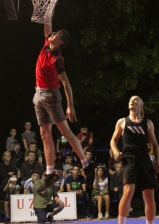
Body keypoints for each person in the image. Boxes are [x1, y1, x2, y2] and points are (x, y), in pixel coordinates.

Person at [32, 21, 94, 194]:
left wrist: (70, 106)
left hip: (51, 96)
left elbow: (66, 84)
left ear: (60, 42)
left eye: (56, 34)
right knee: (45, 135)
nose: (52, 34)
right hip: (38, 95)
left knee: (66, 132)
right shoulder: (46, 44)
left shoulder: (57, 58)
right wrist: (48, 1)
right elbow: (47, 22)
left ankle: (86, 165)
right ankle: (50, 172)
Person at [110, 95, 159, 224]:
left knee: (149, 195)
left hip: (144, 158)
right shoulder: (122, 121)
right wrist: (115, 151)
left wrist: (158, 161)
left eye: (136, 100)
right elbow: (113, 141)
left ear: (141, 106)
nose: (132, 101)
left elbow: (154, 144)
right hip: (129, 158)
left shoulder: (148, 123)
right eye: (130, 100)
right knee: (128, 191)